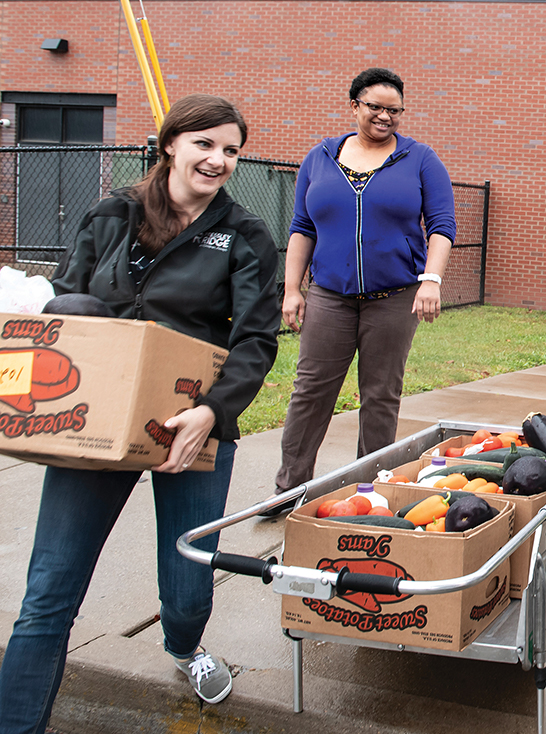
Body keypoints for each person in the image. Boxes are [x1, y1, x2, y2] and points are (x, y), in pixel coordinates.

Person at [0, 94, 281, 728]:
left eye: (231, 150)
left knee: (186, 594)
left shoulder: (244, 235)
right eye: (204, 143)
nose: (218, 160)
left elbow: (256, 340)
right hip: (96, 421)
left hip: (191, 422)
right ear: (170, 144)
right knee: (47, 595)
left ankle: (184, 647)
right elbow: (68, 308)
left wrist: (212, 412)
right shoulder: (112, 215)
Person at [269, 68, 455, 508]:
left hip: (393, 299)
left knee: (380, 396)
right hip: (329, 296)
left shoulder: (420, 159)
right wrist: (292, 289)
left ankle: (367, 489)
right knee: (311, 392)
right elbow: (301, 226)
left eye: (395, 110)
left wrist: (431, 280)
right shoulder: (321, 157)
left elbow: (442, 226)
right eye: (375, 107)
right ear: (354, 105)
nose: (385, 116)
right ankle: (288, 489)